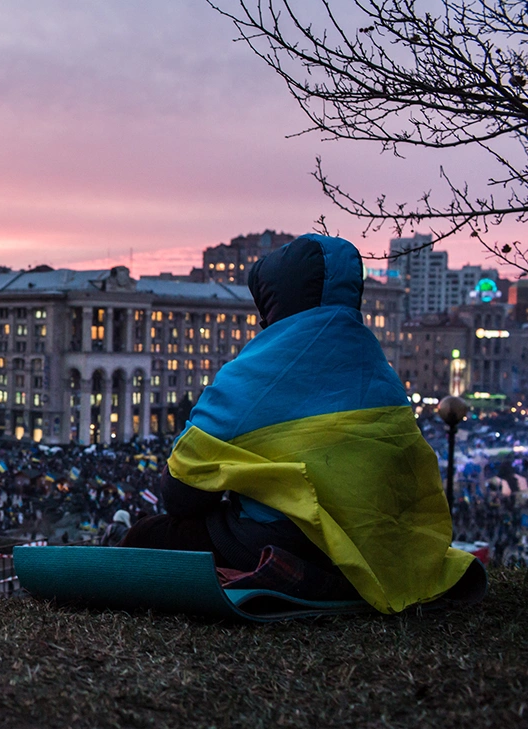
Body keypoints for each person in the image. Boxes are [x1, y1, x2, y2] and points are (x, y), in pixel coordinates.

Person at [120, 234, 477, 613]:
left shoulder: (253, 376)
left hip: (288, 547)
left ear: (274, 304)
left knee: (147, 534)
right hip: (380, 553)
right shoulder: (383, 375)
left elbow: (181, 494)